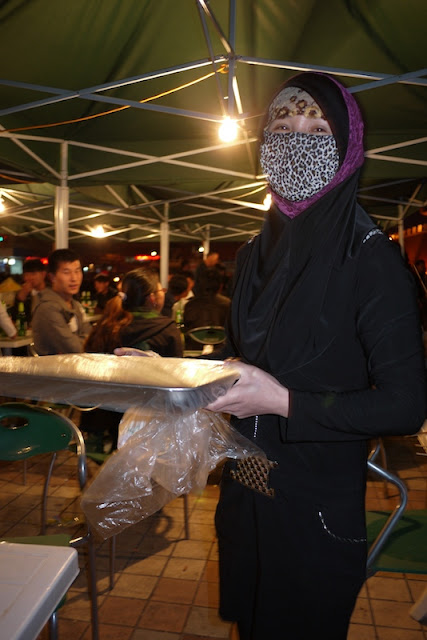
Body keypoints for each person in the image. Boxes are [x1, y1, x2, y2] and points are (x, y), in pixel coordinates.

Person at [202, 72, 427, 639]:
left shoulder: (372, 261)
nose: (296, 136)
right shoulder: (257, 250)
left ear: (348, 147)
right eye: (282, 123)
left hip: (314, 514)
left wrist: (285, 402)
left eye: (317, 126)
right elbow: (241, 355)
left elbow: (404, 406)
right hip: (246, 491)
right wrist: (176, 376)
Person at [81, 268, 183, 450]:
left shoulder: (105, 326)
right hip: (151, 431)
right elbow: (177, 381)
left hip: (102, 423)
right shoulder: (167, 330)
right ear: (152, 298)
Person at [32, 248, 90, 355]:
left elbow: (91, 337)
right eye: (66, 272)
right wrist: (85, 342)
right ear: (52, 277)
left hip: (75, 366)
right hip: (51, 370)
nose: (74, 278)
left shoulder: (75, 304)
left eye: (77, 271)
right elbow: (74, 348)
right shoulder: (47, 308)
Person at [11, 258, 46, 327]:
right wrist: (20, 299)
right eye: (26, 275)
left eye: (33, 274)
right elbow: (14, 318)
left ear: (43, 274)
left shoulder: (51, 292)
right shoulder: (23, 293)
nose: (29, 278)